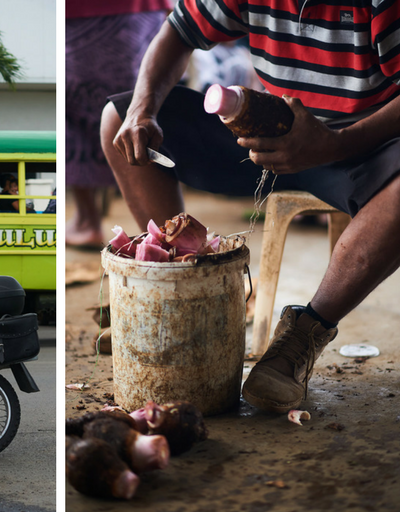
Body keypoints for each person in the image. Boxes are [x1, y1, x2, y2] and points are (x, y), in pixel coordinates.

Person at [100, 1, 400, 414]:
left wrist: (337, 144)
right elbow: (178, 32)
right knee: (117, 121)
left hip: (359, 146)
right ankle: (185, 297)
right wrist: (141, 111)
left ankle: (300, 339)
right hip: (265, 136)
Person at [66, 1, 169, 248]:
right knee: (137, 105)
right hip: (146, 11)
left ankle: (86, 218)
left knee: (76, 109)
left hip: (83, 12)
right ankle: (164, 231)